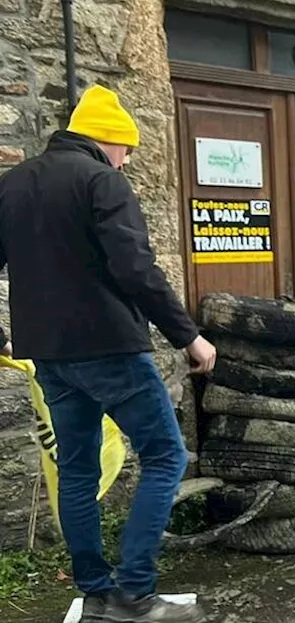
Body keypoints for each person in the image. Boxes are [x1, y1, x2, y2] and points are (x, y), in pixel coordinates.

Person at [0, 84, 217, 623]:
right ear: (108, 141)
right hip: (110, 347)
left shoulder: (12, 185)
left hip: (47, 355)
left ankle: (97, 594)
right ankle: (135, 595)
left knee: (76, 470)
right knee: (166, 457)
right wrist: (187, 335)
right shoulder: (102, 180)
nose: (126, 162)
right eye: (127, 150)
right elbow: (137, 270)